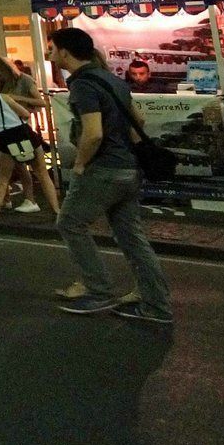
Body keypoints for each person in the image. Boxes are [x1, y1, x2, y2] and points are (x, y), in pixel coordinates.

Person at [47, 27, 172, 322]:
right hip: (128, 168)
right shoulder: (112, 79)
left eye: (52, 49)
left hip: (103, 169)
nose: (50, 55)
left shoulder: (82, 86)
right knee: (131, 237)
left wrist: (79, 165)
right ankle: (156, 302)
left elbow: (93, 134)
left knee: (70, 223)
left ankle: (98, 290)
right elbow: (137, 120)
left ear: (65, 52)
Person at [0, 56, 58, 217]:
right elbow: (24, 113)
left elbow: (40, 102)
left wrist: (16, 100)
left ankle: (11, 203)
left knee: (12, 172)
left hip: (9, 131)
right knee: (26, 170)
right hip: (19, 129)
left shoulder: (24, 81)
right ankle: (43, 205)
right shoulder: (3, 88)